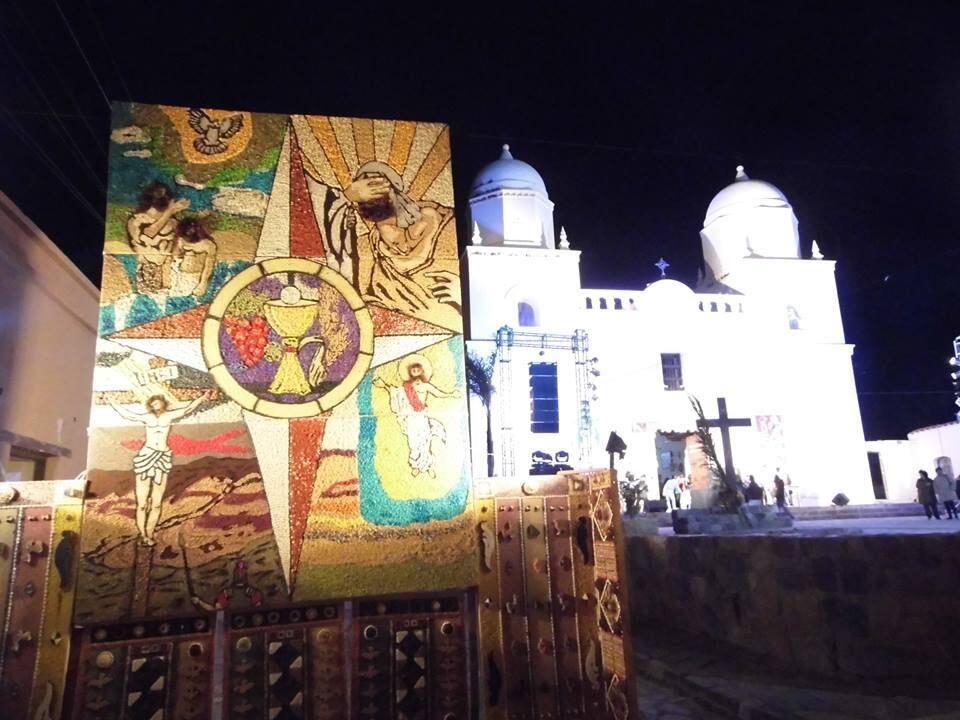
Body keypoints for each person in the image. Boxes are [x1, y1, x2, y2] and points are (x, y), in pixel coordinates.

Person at [109, 392, 210, 545]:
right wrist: (112, 401)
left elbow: (187, 409)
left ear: (163, 403)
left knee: (156, 503)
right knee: (142, 503)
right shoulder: (147, 417)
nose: (155, 405)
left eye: (158, 403)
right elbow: (129, 414)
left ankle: (150, 533)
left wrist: (202, 398)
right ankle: (142, 534)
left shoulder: (168, 417)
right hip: (146, 456)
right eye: (153, 403)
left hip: (162, 457)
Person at [372, 354, 459, 477]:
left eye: (418, 370)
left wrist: (451, 395)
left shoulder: (426, 386)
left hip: (421, 417)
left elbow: (439, 394)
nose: (416, 372)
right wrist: (383, 385)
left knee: (425, 441)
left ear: (422, 371)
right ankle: (415, 465)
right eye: (414, 370)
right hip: (411, 418)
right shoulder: (407, 387)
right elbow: (395, 392)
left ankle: (428, 466)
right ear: (410, 372)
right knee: (413, 443)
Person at [127, 181, 190, 295]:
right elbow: (147, 234)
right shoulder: (137, 220)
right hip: (147, 266)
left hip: (167, 268)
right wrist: (169, 212)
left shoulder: (171, 222)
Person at [170, 216, 218, 299]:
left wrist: (203, 283)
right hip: (181, 274)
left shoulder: (208, 245)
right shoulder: (181, 240)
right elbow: (175, 256)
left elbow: (209, 266)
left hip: (196, 276)